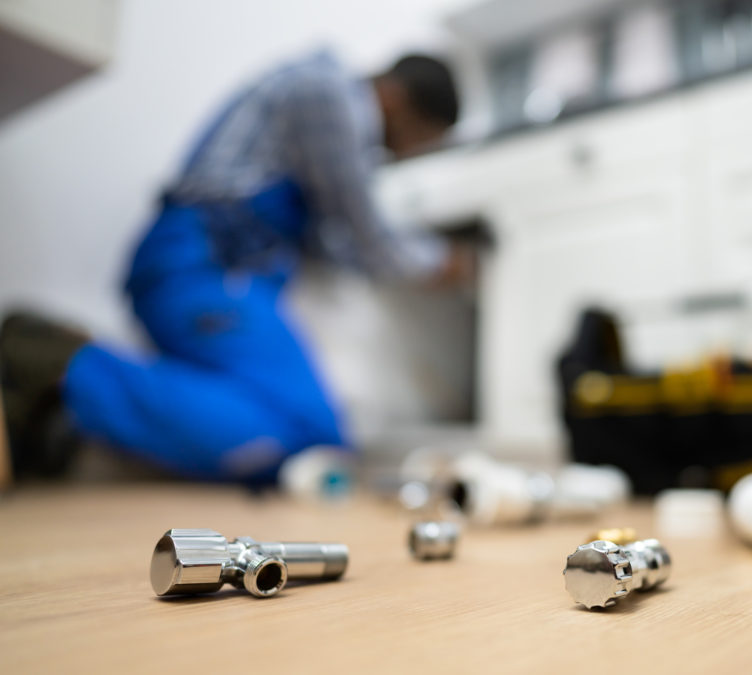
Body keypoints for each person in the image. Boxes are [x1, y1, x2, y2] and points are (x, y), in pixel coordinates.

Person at [0, 50, 472, 484]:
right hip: (199, 265)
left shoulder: (316, 102)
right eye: (412, 141)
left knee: (313, 438)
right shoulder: (329, 94)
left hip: (233, 279)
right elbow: (369, 236)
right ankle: (56, 364)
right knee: (313, 437)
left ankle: (70, 402)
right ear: (392, 99)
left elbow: (337, 246)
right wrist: (443, 261)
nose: (396, 154)